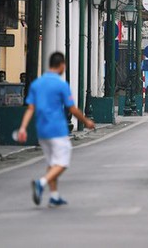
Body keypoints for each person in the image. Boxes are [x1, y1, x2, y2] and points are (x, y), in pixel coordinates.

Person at [17, 52, 95, 208]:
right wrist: (86, 121)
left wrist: (23, 128)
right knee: (62, 163)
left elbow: (30, 108)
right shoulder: (61, 84)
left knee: (52, 163)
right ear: (61, 65)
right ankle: (42, 182)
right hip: (57, 130)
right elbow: (72, 108)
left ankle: (54, 196)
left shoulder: (37, 84)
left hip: (42, 131)